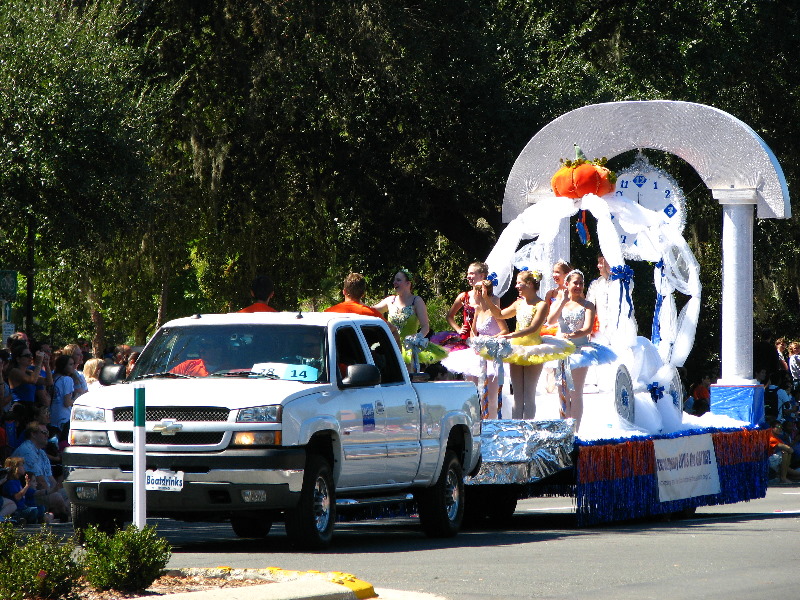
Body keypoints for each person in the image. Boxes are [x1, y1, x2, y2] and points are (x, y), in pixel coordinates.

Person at [483, 269, 575, 420]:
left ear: (530, 284)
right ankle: (517, 429)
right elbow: (499, 314)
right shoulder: (518, 303)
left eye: (519, 283)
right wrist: (486, 298)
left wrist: (511, 335)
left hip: (533, 349)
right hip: (516, 350)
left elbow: (533, 328)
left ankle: (528, 429)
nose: (516, 286)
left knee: (529, 394)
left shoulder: (541, 305)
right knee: (517, 395)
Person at [547, 269, 616, 431]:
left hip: (580, 351)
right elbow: (550, 321)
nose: (578, 286)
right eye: (575, 282)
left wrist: (572, 335)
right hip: (561, 350)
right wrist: (562, 301)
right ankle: (564, 429)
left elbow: (587, 328)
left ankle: (575, 430)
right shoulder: (560, 301)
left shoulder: (587, 305)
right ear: (567, 284)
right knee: (562, 391)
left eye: (581, 283)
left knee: (575, 392)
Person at [441, 278, 509, 418]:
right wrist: (472, 338)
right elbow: (473, 332)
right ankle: (474, 419)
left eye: (476, 292)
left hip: (491, 351)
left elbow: (505, 331)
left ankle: (491, 421)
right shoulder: (478, 310)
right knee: (474, 391)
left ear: (482, 293)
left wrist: (490, 340)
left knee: (490, 395)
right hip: (477, 351)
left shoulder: (494, 311)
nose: (473, 295)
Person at [373, 270, 447, 368]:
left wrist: (417, 338)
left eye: (398, 280)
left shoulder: (416, 301)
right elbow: (371, 311)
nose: (394, 282)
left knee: (408, 375)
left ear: (408, 283)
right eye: (394, 280)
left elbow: (425, 327)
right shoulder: (390, 300)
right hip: (390, 347)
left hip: (409, 349)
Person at [11, 421, 69, 520]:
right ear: (33, 434)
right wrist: (53, 492)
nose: (47, 436)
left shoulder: (41, 452)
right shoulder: (27, 451)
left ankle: (61, 515)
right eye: (44, 433)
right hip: (31, 494)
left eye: (48, 433)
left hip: (46, 490)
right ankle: (67, 519)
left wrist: (57, 489)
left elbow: (50, 478)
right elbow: (40, 482)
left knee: (70, 492)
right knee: (57, 497)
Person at [446, 262, 497, 348]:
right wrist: (458, 329)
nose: (468, 276)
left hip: (485, 339)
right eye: (468, 274)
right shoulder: (464, 296)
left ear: (482, 276)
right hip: (466, 340)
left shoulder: (493, 298)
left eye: (472, 273)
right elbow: (449, 316)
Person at [1, 457, 52, 524]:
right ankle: (22, 521)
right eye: (21, 465)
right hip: (17, 510)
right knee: (34, 511)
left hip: (24, 507)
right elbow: (17, 497)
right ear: (15, 468)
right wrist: (27, 486)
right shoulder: (11, 482)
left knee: (41, 508)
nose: (23, 467)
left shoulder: (17, 480)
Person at [50, 354, 75, 435]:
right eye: (70, 364)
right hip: (64, 418)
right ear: (63, 366)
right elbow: (67, 402)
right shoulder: (67, 379)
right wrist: (76, 399)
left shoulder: (54, 377)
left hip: (53, 416)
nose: (73, 367)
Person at [768, 420, 800, 484]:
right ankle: (783, 478)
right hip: (766, 460)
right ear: (771, 428)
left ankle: (783, 477)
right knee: (785, 453)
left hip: (775, 460)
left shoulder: (778, 438)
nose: (780, 429)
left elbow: (790, 450)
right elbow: (789, 449)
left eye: (781, 427)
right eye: (778, 427)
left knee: (786, 453)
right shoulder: (770, 438)